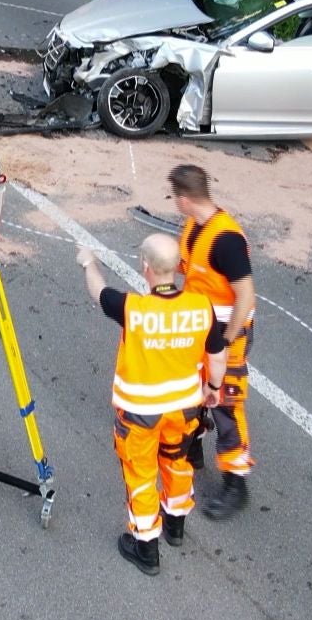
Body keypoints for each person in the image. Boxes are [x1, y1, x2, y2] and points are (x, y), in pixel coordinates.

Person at [79, 235, 227, 576]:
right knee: (177, 464)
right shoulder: (201, 307)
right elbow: (217, 357)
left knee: (142, 476)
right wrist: (213, 389)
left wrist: (89, 262)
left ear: (145, 267)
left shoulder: (134, 309)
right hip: (185, 410)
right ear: (176, 268)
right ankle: (175, 525)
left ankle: (146, 547)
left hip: (140, 414)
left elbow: (99, 291)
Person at [168, 164, 256, 518]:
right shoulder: (194, 226)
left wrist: (227, 339)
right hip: (199, 330)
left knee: (225, 404)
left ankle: (237, 481)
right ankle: (194, 449)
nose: (175, 203)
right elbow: (192, 271)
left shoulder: (226, 239)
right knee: (193, 389)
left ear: (185, 199)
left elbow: (245, 295)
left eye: (175, 196)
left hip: (224, 335)